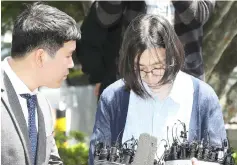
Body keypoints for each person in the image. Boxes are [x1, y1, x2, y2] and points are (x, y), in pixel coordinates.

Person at [89, 14, 226, 165]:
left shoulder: (203, 97)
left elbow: (219, 161)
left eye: (157, 67)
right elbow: (97, 162)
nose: (150, 76)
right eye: (140, 68)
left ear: (172, 55)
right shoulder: (113, 98)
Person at [77, 0, 215, 99]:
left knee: (182, 136)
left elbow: (198, 16)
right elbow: (105, 18)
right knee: (137, 137)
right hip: (135, 78)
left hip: (183, 75)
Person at [1, 2, 80, 165]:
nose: (72, 64)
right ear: (41, 57)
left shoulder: (42, 103)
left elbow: (51, 164)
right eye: (68, 55)